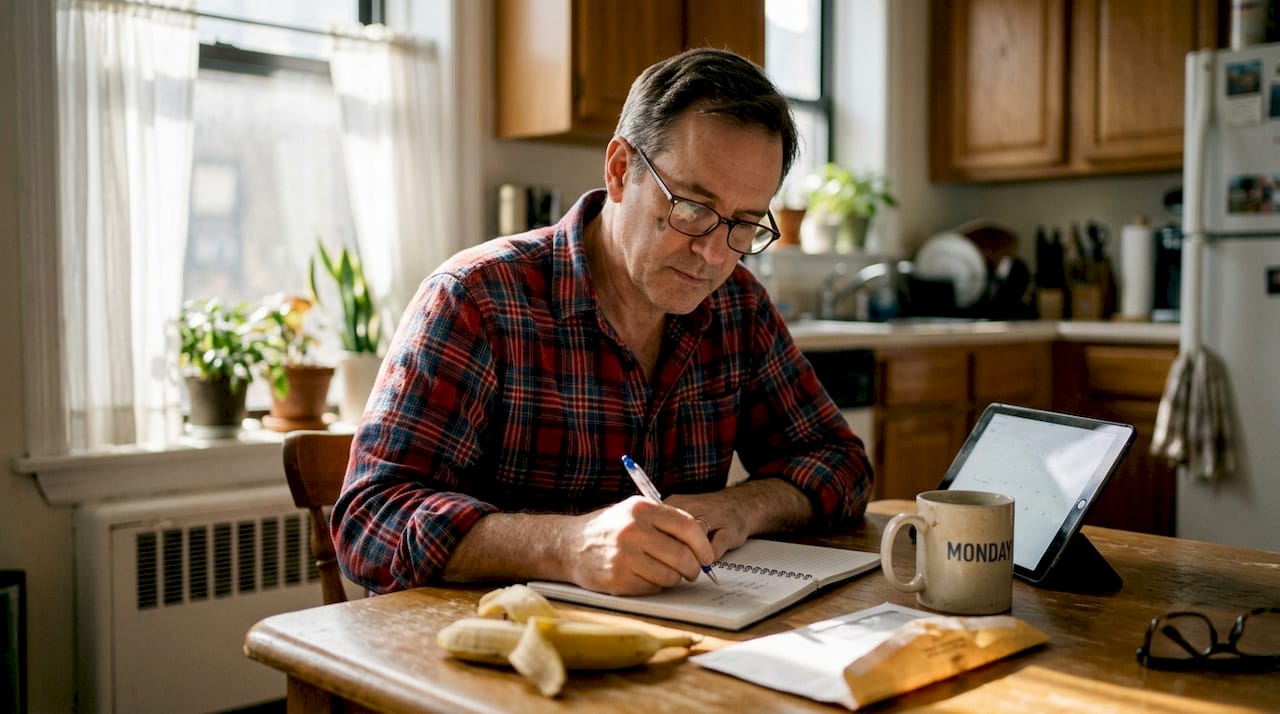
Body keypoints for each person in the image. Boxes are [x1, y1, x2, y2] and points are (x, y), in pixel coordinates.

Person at [331, 47, 873, 597]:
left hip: (671, 652)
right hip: (488, 653)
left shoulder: (738, 307)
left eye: (744, 224)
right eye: (690, 208)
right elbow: (370, 520)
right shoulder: (476, 299)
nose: (712, 254)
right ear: (619, 171)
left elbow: (842, 465)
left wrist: (741, 505)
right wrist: (567, 545)